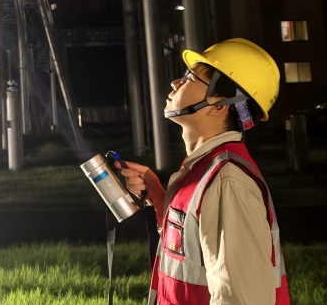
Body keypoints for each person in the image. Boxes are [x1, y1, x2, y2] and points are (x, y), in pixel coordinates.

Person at [117, 38, 290, 305]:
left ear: (219, 105)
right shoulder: (204, 170)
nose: (175, 82)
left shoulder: (227, 182)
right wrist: (161, 200)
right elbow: (193, 254)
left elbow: (241, 299)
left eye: (189, 78)